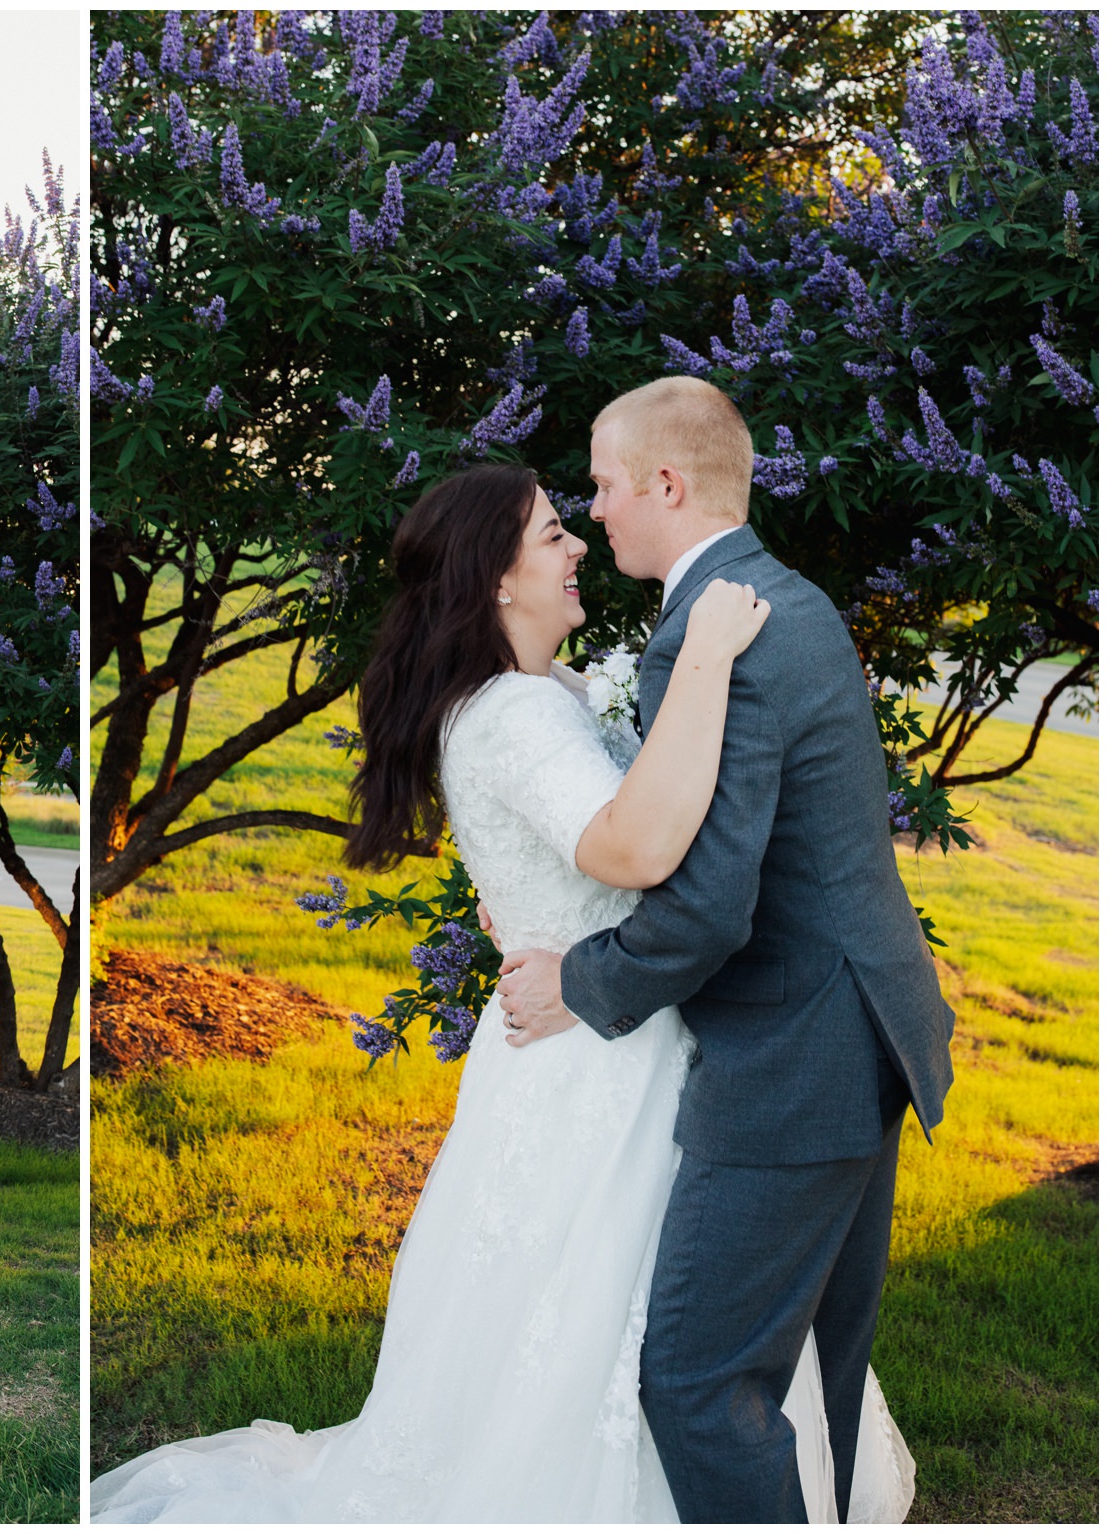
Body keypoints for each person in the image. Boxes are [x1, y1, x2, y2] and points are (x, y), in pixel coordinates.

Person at [92, 403, 927, 1521]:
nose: (579, 531)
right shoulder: (522, 712)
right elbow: (633, 847)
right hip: (593, 1058)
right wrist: (701, 667)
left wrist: (578, 952)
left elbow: (649, 847)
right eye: (549, 529)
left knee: (655, 1337)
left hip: (631, 1036)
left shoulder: (567, 693)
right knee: (613, 1335)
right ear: (493, 578)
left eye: (587, 497)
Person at [496, 377, 953, 1521]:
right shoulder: (783, 598)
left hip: (792, 1060)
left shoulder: (713, 634)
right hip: (861, 1029)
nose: (593, 512)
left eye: (601, 485)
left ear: (665, 482)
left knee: (701, 1381)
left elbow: (707, 907)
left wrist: (578, 983)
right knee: (815, 1372)